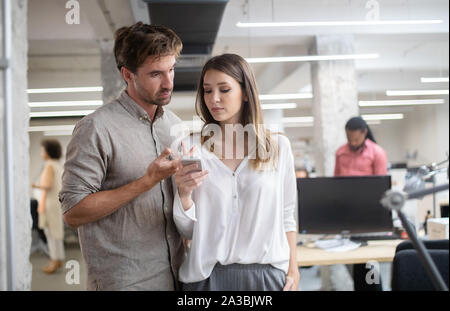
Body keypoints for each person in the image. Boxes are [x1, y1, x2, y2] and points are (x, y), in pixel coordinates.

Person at [59, 22, 185, 290]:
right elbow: (73, 212)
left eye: (171, 69)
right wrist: (146, 181)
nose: (168, 83)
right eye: (155, 74)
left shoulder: (174, 125)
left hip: (176, 276)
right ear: (127, 74)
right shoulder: (96, 128)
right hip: (125, 281)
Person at [172, 54, 300, 291]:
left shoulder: (278, 148)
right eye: (207, 91)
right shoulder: (191, 148)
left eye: (224, 89)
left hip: (265, 277)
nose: (214, 99)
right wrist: (184, 195)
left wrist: (293, 269)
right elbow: (188, 231)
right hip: (206, 279)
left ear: (246, 93)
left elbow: (286, 215)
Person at [334, 116, 388, 291]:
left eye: (356, 138)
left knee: (370, 261)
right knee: (356, 260)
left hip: (369, 213)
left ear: (364, 133)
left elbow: (381, 186)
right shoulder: (341, 152)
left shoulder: (377, 152)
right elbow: (336, 182)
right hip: (348, 214)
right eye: (349, 138)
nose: (353, 142)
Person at [32, 139, 65, 273]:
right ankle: (58, 260)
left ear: (48, 151)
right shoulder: (57, 164)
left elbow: (47, 186)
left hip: (49, 204)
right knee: (56, 233)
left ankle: (54, 261)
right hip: (55, 204)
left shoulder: (49, 165)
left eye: (43, 150)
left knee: (51, 234)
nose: (41, 153)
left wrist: (34, 185)